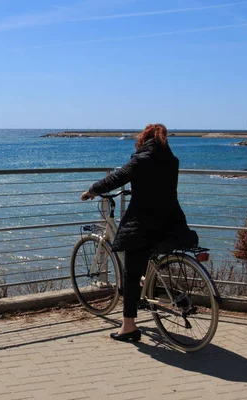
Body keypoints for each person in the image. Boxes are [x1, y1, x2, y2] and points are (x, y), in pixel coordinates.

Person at [80, 123, 195, 342]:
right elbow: (158, 187)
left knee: (130, 275)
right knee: (144, 264)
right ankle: (146, 292)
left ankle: (129, 327)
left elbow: (115, 178)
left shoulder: (141, 160)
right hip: (171, 222)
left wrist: (93, 190)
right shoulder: (172, 161)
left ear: (144, 139)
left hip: (144, 225)